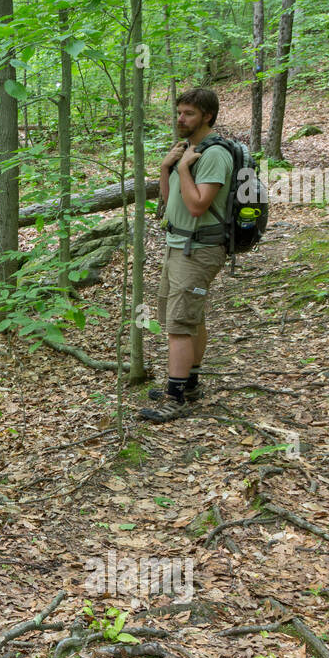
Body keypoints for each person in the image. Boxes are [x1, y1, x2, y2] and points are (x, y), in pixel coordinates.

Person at [139, 87, 233, 423]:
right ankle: (189, 383)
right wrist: (168, 169)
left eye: (189, 113)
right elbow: (170, 202)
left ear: (207, 116)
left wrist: (182, 170)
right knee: (192, 318)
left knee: (179, 324)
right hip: (179, 244)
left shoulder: (214, 154)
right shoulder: (188, 149)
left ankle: (175, 397)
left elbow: (197, 206)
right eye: (179, 111)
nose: (181, 118)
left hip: (200, 248)